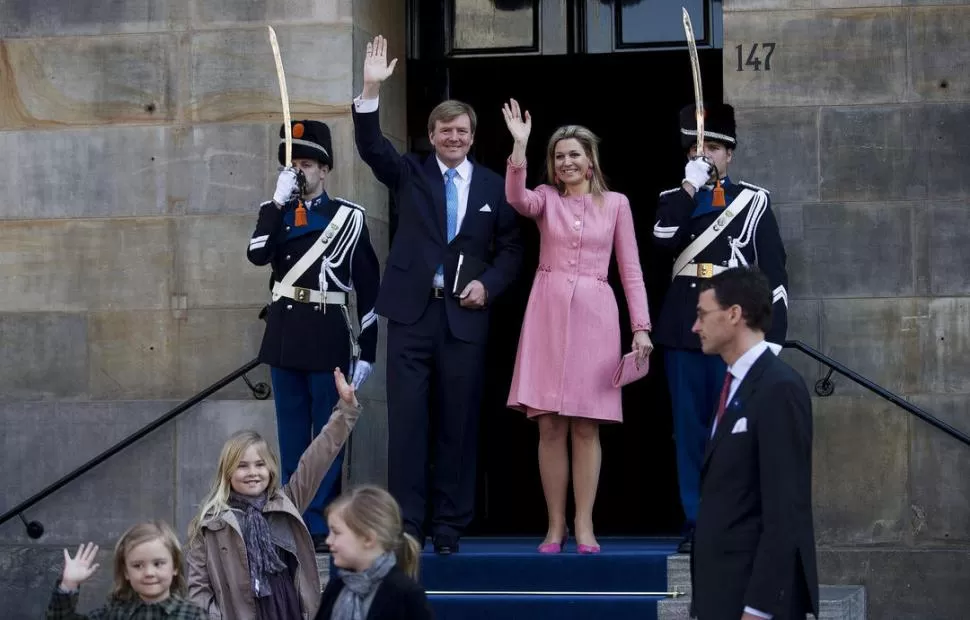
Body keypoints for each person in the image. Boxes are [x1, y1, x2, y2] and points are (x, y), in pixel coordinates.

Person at [351, 35, 523, 554]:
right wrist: (370, 89)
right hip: (411, 314)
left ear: (473, 137)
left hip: (465, 318)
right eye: (445, 129)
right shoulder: (410, 172)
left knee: (459, 423)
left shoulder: (494, 186)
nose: (454, 136)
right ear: (431, 134)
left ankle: (450, 525)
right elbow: (371, 148)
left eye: (462, 130)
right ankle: (408, 525)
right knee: (407, 425)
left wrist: (487, 286)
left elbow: (512, 249)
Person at [500, 99, 652, 553]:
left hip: (597, 316)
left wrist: (641, 327)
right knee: (548, 425)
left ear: (590, 160)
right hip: (546, 314)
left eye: (574, 154)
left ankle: (585, 525)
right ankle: (555, 526)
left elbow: (631, 270)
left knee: (587, 426)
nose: (566, 162)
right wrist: (520, 147)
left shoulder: (618, 204)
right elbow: (516, 198)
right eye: (559, 155)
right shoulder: (545, 198)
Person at [651, 102, 789, 553]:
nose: (706, 153)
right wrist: (690, 185)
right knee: (690, 431)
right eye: (697, 146)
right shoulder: (673, 198)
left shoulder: (754, 200)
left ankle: (736, 518)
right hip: (685, 328)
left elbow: (775, 276)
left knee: (736, 430)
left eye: (713, 147)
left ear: (730, 154)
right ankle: (698, 519)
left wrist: (772, 343)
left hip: (736, 331)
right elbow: (661, 243)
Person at [247, 119, 380, 550]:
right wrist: (274, 202)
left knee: (328, 433)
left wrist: (368, 352)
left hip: (328, 335)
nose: (299, 171)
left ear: (324, 170)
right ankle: (291, 515)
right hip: (285, 335)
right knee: (290, 435)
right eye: (293, 164)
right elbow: (256, 255)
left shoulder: (348, 218)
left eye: (306, 163)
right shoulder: (277, 212)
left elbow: (370, 290)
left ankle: (320, 523)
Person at [689, 266, 818, 620]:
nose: (694, 327)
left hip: (754, 604)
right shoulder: (733, 387)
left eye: (702, 315)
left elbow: (784, 509)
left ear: (734, 315)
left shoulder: (779, 389)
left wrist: (759, 608)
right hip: (722, 595)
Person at [186, 368, 362, 620]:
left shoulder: (285, 504)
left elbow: (316, 460)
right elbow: (198, 592)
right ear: (227, 473)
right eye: (242, 466)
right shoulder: (210, 525)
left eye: (259, 464)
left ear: (270, 468)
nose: (252, 472)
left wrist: (345, 411)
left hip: (287, 610)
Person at [316, 485, 433, 620]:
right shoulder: (336, 587)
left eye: (336, 532)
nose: (328, 540)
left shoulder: (406, 595)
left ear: (368, 538)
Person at [46, 521, 205, 619]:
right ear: (126, 572)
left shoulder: (194, 615)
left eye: (158, 564)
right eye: (138, 565)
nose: (149, 573)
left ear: (175, 566)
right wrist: (69, 584)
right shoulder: (114, 613)